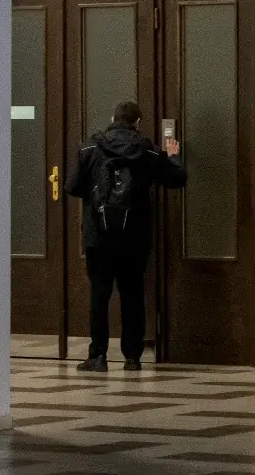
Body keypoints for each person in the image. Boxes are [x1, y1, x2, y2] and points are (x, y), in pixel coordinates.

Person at [64, 101, 185, 371]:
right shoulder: (147, 151)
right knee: (132, 294)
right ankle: (132, 357)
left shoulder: (90, 148)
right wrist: (172, 155)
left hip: (99, 235)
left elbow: (72, 186)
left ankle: (98, 356)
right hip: (134, 237)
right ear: (137, 122)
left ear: (112, 118)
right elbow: (177, 179)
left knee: (100, 295)